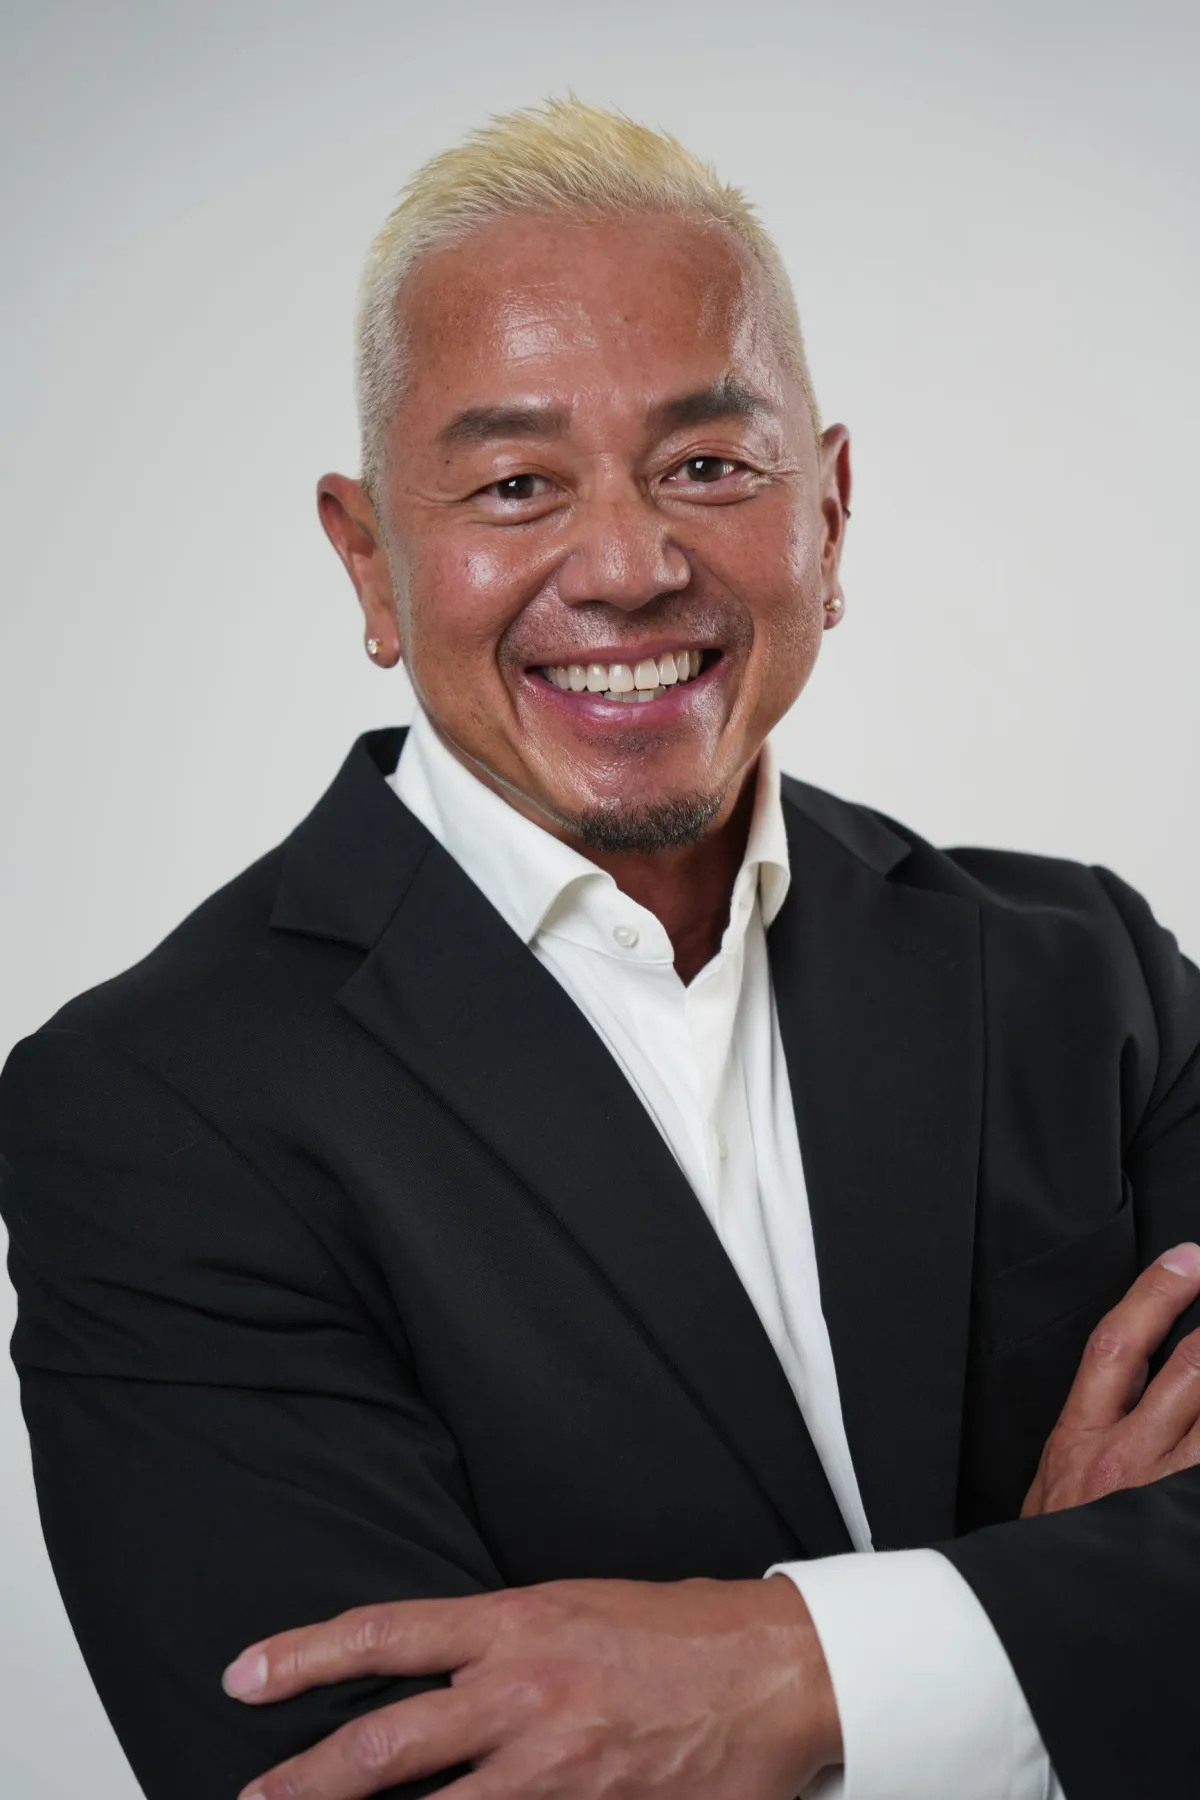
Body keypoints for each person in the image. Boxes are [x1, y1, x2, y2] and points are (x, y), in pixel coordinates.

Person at [2, 97, 1199, 1800]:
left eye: (709, 467)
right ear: (370, 562)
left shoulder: (1093, 977)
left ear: (830, 511)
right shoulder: (152, 1112)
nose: (630, 568)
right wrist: (1059, 1625)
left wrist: (787, 1673)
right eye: (515, 484)